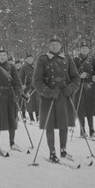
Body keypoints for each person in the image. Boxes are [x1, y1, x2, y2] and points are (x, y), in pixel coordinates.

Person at [32, 34, 81, 162]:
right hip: (49, 98)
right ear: (49, 46)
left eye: (57, 44)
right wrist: (48, 91)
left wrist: (70, 88)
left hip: (64, 96)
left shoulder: (68, 59)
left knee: (63, 125)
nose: (54, 46)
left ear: (61, 46)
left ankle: (63, 151)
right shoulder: (43, 59)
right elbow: (36, 81)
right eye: (52, 44)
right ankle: (52, 152)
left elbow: (76, 78)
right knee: (50, 126)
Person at [74, 42, 95, 138]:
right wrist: (79, 76)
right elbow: (70, 74)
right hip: (79, 88)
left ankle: (92, 130)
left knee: (91, 109)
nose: (84, 49)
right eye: (83, 48)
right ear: (79, 49)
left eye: (86, 48)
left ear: (89, 50)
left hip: (90, 87)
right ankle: (82, 130)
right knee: (81, 110)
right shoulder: (75, 60)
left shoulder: (93, 60)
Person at [19, 52, 39, 123]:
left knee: (37, 102)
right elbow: (20, 78)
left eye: (31, 58)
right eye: (28, 59)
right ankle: (31, 118)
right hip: (28, 87)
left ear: (33, 59)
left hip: (36, 87)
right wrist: (22, 85)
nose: (30, 60)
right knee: (29, 103)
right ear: (26, 60)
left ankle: (38, 116)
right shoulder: (23, 67)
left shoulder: (36, 66)